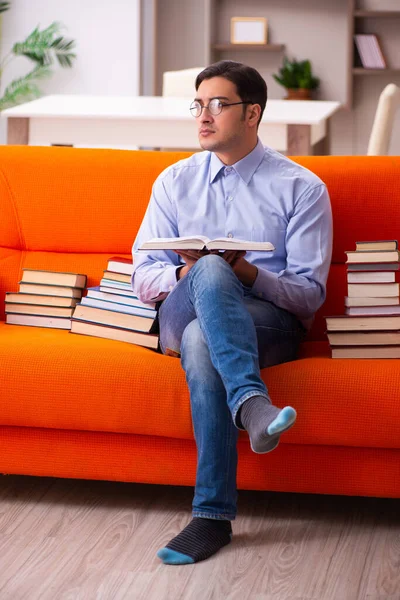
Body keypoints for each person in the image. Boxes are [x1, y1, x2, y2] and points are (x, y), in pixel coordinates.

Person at [131, 60, 333, 565]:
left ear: (252, 114)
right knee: (209, 277)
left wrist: (246, 274)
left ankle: (210, 518)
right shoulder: (173, 181)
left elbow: (309, 296)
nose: (204, 116)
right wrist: (194, 274)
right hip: (182, 309)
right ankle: (252, 406)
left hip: (267, 322)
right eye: (198, 105)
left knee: (204, 339)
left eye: (218, 105)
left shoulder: (302, 188)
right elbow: (142, 276)